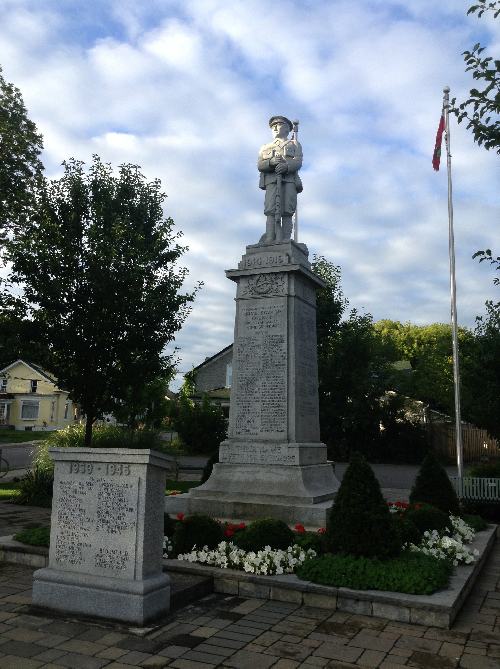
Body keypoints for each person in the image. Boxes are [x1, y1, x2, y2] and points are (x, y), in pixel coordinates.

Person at [257, 115, 302, 243]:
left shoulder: (294, 144)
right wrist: (270, 162)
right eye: (273, 127)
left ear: (287, 129)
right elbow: (260, 164)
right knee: (270, 210)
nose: (275, 128)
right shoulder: (265, 147)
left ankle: (285, 239)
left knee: (287, 209)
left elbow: (298, 162)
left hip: (289, 181)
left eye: (279, 125)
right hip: (271, 181)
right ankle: (270, 238)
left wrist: (286, 167)